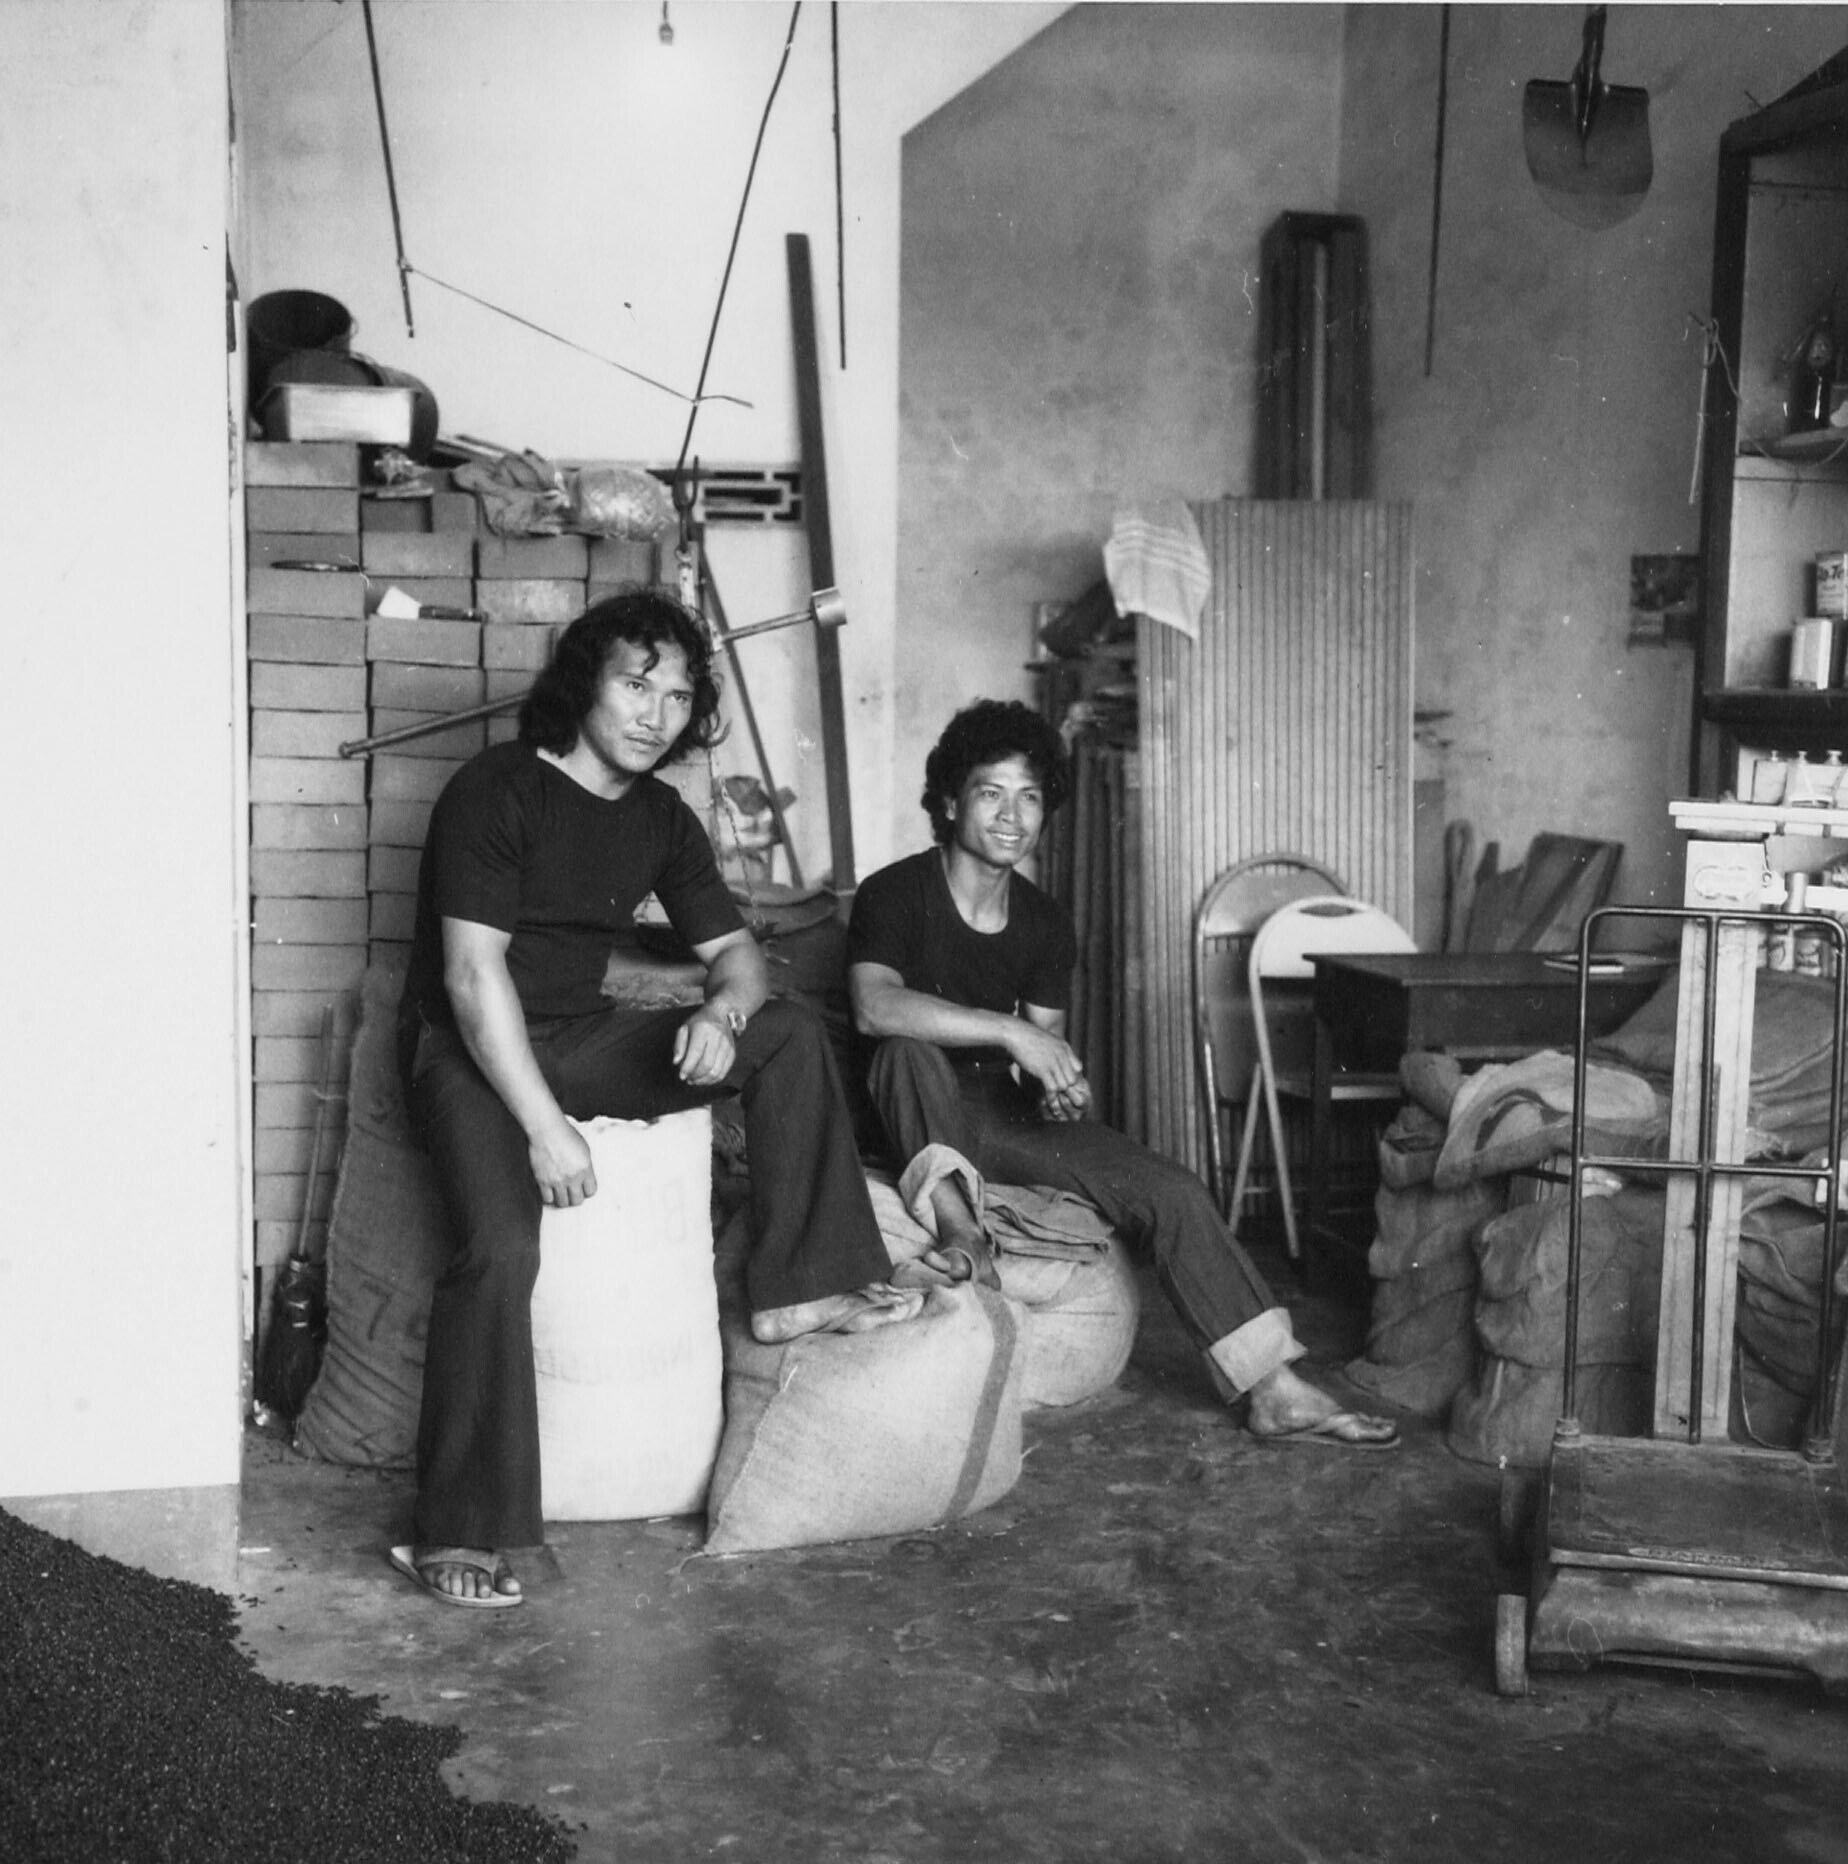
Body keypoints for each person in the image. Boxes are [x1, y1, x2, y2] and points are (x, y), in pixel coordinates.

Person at [393, 590, 921, 1607]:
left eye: (678, 696)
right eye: (637, 684)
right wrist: (545, 1128)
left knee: (786, 1031)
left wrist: (723, 1012)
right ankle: (455, 1530)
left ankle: (802, 1283)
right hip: (465, 1050)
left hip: (577, 1035)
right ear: (584, 682)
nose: (657, 713)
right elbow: (470, 978)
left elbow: (740, 957)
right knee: (499, 1247)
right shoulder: (497, 789)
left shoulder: (661, 819)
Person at [845, 698, 1398, 1451]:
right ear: (949, 802)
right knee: (905, 1052)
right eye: (990, 792)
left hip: (1000, 1114)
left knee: (1172, 1190)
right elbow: (874, 1007)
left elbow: (1044, 1050)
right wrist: (1008, 1030)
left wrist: (1061, 1088)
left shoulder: (1044, 921)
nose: (1011, 816)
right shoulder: (895, 892)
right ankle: (962, 1231)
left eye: (1029, 797)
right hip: (911, 1101)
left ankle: (1272, 1386)